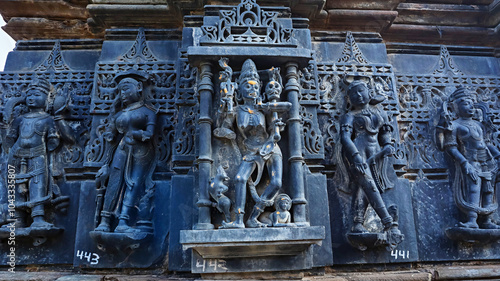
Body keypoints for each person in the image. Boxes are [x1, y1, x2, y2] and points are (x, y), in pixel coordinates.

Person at [214, 59, 287, 228]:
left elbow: (277, 121)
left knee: (276, 183)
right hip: (251, 150)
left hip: (269, 146)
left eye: (256, 86)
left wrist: (276, 130)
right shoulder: (236, 110)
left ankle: (253, 216)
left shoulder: (264, 108)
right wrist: (225, 103)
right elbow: (221, 127)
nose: (253, 89)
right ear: (239, 89)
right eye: (248, 86)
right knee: (240, 179)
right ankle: (238, 220)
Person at [94, 72, 158, 234]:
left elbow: (149, 133)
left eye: (126, 89)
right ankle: (105, 220)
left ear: (138, 88)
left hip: (141, 151)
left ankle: (123, 219)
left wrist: (136, 134)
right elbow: (110, 141)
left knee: (134, 183)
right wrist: (105, 164)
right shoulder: (118, 115)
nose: (123, 94)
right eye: (120, 91)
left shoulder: (148, 111)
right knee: (114, 181)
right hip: (121, 149)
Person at [5, 78, 71, 229]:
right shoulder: (19, 120)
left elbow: (53, 139)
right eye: (29, 96)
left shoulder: (47, 119)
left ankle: (38, 217)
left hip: (38, 155)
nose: (32, 98)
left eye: (36, 95)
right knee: (16, 187)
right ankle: (17, 218)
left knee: (38, 185)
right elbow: (10, 139)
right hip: (16, 155)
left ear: (47, 99)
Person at [339, 80, 401, 237]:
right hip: (358, 152)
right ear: (349, 99)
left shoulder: (379, 112)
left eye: (361, 91)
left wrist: (387, 144)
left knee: (365, 187)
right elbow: (345, 138)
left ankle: (357, 222)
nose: (358, 95)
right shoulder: (350, 116)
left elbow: (384, 132)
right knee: (370, 186)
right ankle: (387, 222)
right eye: (354, 94)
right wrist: (355, 157)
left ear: (369, 92)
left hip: (377, 153)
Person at [439, 87, 500, 229]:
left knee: (488, 190)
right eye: (466, 103)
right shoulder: (454, 125)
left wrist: (497, 155)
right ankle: (472, 219)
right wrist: (464, 162)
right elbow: (450, 147)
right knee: (473, 188)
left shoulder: (479, 125)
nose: (471, 106)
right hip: (471, 161)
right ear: (456, 107)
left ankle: (487, 220)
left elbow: (486, 143)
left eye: (472, 103)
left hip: (486, 161)